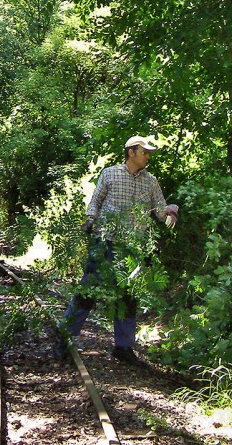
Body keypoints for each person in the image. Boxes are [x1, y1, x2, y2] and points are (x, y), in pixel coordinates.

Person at [55, 135, 179, 367]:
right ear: (131, 152)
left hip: (133, 247)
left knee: (128, 296)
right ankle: (63, 339)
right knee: (88, 290)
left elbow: (160, 211)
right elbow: (96, 201)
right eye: (145, 152)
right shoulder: (110, 173)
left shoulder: (151, 181)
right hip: (105, 242)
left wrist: (169, 211)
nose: (148, 156)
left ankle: (123, 347)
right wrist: (90, 220)